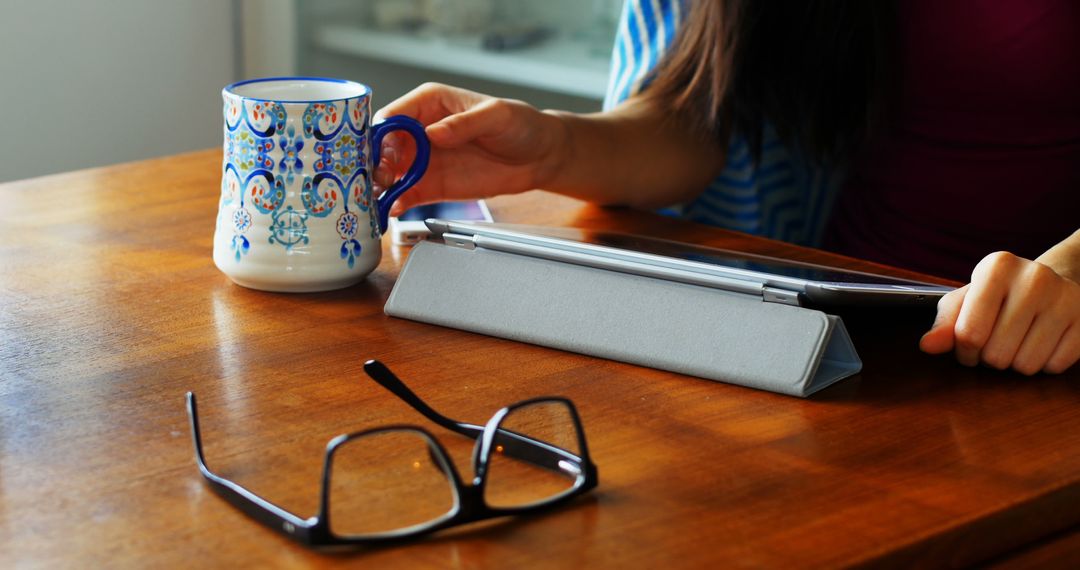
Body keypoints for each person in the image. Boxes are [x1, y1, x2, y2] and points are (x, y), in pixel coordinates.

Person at [373, 0, 1080, 375]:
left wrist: (1071, 270)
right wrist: (552, 147)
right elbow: (707, 116)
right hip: (865, 321)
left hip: (1046, 348)